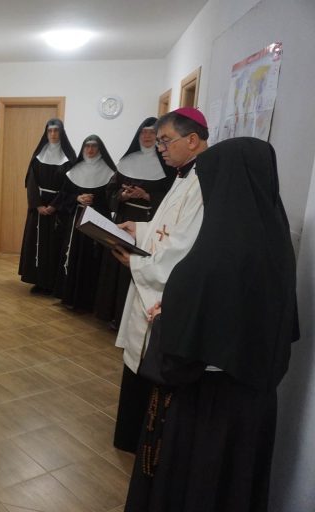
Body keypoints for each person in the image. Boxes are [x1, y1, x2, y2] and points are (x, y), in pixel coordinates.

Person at [124, 137, 299, 511]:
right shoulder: (278, 245)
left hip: (205, 407)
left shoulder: (209, 260)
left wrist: (167, 316)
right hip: (254, 404)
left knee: (196, 489)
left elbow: (179, 356)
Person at [110, 108, 209, 454]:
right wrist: (139, 229)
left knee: (150, 362)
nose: (161, 148)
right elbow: (166, 226)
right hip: (151, 275)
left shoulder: (202, 182)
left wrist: (137, 262)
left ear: (192, 140)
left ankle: (143, 442)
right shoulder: (183, 175)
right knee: (138, 358)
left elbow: (184, 245)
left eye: (165, 141)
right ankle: (131, 436)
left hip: (165, 291)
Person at [94, 117, 175, 328]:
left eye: (151, 132)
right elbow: (109, 191)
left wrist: (147, 196)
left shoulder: (168, 165)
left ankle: (133, 318)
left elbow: (172, 197)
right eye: (143, 132)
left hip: (148, 222)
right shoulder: (126, 161)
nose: (147, 136)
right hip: (124, 219)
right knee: (118, 267)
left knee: (137, 267)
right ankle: (113, 315)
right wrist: (122, 196)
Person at [53, 135, 116, 310]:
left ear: (100, 149)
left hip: (98, 222)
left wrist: (95, 201)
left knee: (93, 259)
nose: (90, 150)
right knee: (73, 256)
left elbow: (111, 199)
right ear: (82, 149)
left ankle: (91, 301)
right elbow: (63, 196)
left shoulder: (109, 172)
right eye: (87, 146)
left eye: (94, 146)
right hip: (77, 221)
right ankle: (70, 297)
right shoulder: (74, 171)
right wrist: (77, 198)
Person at [18, 118, 76, 294]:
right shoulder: (38, 156)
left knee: (55, 245)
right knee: (37, 243)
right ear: (46, 133)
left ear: (61, 133)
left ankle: (52, 283)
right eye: (50, 131)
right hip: (38, 208)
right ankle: (37, 281)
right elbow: (31, 181)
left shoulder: (69, 159)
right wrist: (37, 205)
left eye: (56, 130)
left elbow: (70, 186)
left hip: (58, 210)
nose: (53, 134)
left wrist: (54, 206)